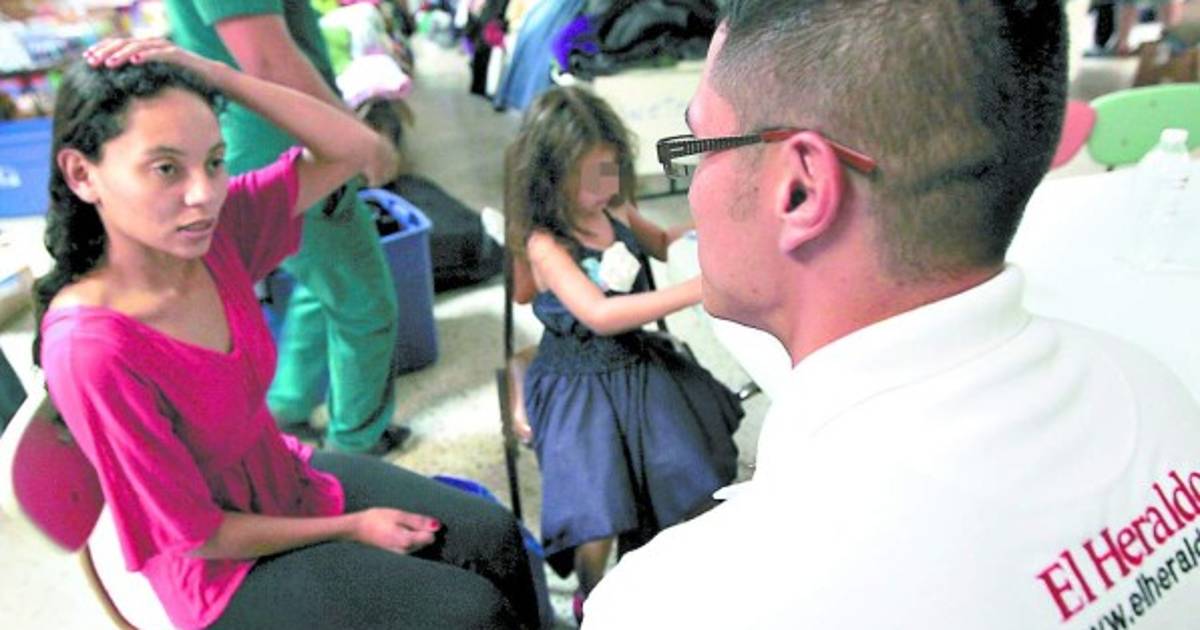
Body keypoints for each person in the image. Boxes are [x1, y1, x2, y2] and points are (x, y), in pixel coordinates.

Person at [584, 1, 1200, 628]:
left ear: (800, 190)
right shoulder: (1159, 395)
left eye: (701, 147)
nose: (692, 189)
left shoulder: (679, 606)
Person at [33, 38, 539, 629]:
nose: (203, 193)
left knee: (495, 535)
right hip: (222, 571)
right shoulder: (92, 350)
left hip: (283, 478)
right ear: (82, 174)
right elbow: (197, 535)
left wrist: (217, 74)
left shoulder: (213, 236)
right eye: (166, 167)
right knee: (472, 613)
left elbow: (355, 149)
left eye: (214, 161)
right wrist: (351, 527)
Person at [506, 85, 743, 620]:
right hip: (577, 381)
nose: (603, 188)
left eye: (610, 170)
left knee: (684, 473)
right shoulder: (545, 242)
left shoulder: (615, 207)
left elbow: (661, 241)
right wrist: (701, 288)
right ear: (549, 177)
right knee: (596, 513)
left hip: (636, 363)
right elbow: (598, 313)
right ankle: (593, 597)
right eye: (586, 178)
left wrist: (719, 226)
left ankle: (666, 573)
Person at [164, 0, 407, 455]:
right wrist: (360, 141)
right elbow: (268, 60)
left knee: (326, 282)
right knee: (365, 304)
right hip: (290, 145)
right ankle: (356, 446)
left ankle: (290, 402)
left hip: (263, 140)